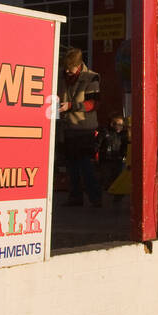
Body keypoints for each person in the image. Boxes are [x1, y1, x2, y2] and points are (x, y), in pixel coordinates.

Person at [58, 47, 101, 207]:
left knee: (85, 164)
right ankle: (75, 197)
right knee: (71, 165)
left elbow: (93, 104)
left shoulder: (92, 77)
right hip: (67, 127)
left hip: (85, 128)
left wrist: (70, 106)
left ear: (78, 65)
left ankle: (95, 197)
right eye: (66, 69)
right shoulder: (62, 75)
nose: (68, 72)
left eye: (70, 69)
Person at [95, 114, 129, 191]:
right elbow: (97, 144)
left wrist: (124, 154)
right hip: (106, 159)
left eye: (122, 125)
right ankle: (105, 190)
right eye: (118, 124)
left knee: (117, 176)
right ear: (112, 124)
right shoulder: (105, 133)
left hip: (118, 159)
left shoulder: (122, 135)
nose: (120, 126)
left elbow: (124, 146)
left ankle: (115, 191)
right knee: (106, 176)